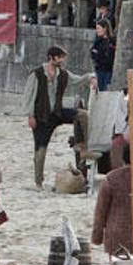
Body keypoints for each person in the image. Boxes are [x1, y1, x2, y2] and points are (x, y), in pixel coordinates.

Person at [22, 46, 96, 188]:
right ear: (52, 57)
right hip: (41, 116)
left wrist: (91, 77)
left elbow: (78, 80)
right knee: (40, 149)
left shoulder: (62, 74)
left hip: (57, 112)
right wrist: (30, 115)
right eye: (60, 57)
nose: (62, 60)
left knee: (82, 115)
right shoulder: (37, 74)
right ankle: (38, 181)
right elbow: (28, 96)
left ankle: (84, 147)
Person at [90, 19, 116, 91]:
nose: (97, 30)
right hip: (100, 70)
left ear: (105, 29)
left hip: (109, 71)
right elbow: (93, 54)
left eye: (99, 28)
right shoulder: (98, 41)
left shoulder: (113, 40)